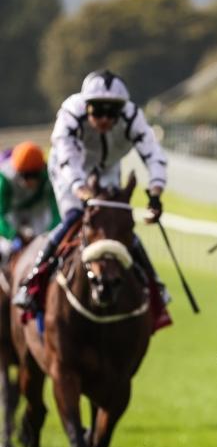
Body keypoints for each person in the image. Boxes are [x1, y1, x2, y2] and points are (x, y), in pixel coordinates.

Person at [14, 70, 170, 324]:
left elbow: (154, 155)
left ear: (122, 110)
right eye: (98, 112)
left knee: (116, 223)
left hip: (107, 170)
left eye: (112, 113)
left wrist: (155, 193)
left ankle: (154, 285)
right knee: (75, 217)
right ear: (86, 106)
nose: (105, 119)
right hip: (69, 169)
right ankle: (33, 281)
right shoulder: (70, 113)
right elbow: (67, 158)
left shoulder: (133, 116)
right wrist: (80, 189)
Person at [0, 142, 60, 264]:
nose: (30, 181)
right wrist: (13, 235)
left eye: (34, 175)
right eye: (25, 176)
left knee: (43, 241)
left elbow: (56, 211)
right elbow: (1, 215)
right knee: (6, 248)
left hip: (37, 209)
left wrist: (51, 233)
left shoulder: (48, 173)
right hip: (12, 212)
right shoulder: (4, 178)